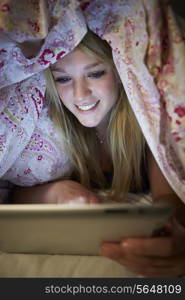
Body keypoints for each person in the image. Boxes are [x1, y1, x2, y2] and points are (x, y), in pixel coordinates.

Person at [8, 29, 185, 277]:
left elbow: (168, 200)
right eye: (63, 79)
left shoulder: (147, 121)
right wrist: (56, 192)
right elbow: (14, 195)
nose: (81, 94)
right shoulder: (50, 127)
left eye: (95, 73)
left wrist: (172, 229)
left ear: (120, 72)